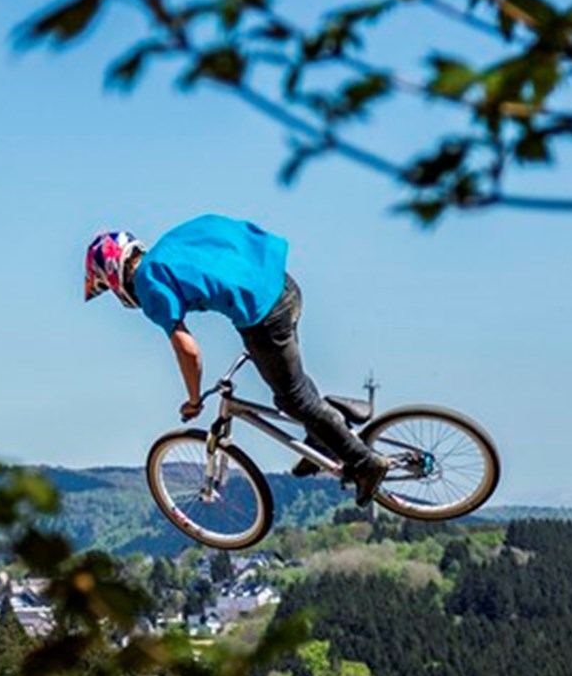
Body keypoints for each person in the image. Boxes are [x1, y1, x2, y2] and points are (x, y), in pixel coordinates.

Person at [84, 215, 389, 505]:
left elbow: (188, 351)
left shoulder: (148, 286)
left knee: (293, 399)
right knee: (291, 382)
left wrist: (194, 400)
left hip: (264, 315)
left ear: (113, 275)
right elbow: (224, 229)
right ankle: (323, 435)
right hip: (283, 284)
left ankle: (365, 463)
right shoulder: (171, 244)